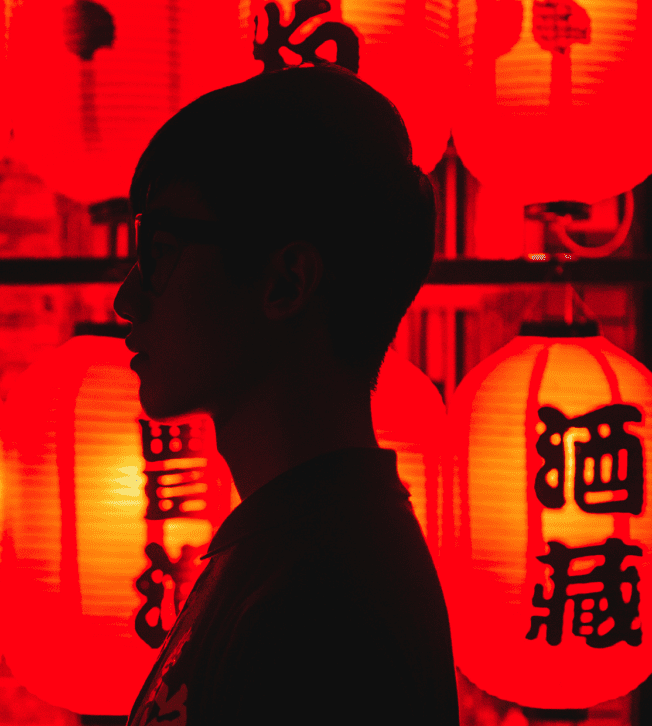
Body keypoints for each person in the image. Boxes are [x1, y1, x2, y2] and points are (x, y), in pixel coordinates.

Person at [114, 64, 458, 726]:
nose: (128, 298)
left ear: (285, 282)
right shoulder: (292, 550)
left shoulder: (327, 607)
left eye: (160, 252)